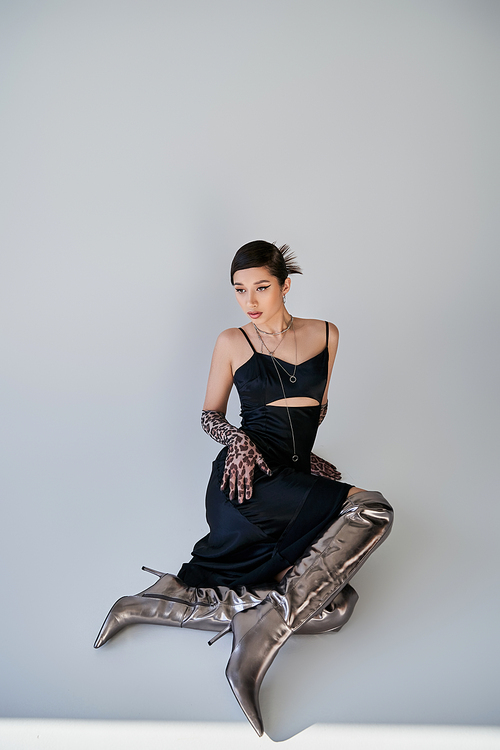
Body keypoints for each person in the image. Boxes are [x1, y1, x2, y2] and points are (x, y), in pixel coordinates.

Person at [94, 241, 393, 736]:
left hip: (291, 480)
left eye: (261, 287)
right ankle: (256, 640)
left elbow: (313, 411)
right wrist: (237, 441)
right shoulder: (233, 341)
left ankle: (154, 603)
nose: (250, 300)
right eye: (239, 290)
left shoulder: (326, 334)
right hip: (245, 484)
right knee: (374, 510)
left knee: (338, 609)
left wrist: (307, 462)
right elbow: (210, 416)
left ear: (285, 285)